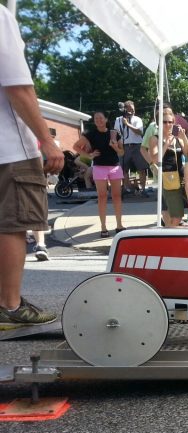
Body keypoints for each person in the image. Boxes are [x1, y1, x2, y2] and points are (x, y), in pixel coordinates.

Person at [0, 3, 63, 325]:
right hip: (8, 148)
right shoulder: (0, 18)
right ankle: (9, 306)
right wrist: (47, 140)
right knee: (12, 225)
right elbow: (17, 87)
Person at [73, 111, 125, 238]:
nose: (98, 120)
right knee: (102, 197)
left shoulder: (114, 133)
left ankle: (119, 225)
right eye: (96, 118)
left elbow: (122, 152)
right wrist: (89, 155)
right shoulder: (90, 134)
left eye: (101, 118)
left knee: (117, 196)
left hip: (114, 167)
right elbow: (76, 146)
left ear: (106, 119)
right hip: (99, 167)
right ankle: (103, 227)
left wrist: (115, 147)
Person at [149, 107, 188, 227]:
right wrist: (166, 144)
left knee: (178, 213)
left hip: (180, 176)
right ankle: (170, 234)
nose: (168, 125)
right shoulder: (155, 139)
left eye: (171, 122)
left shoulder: (177, 138)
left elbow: (187, 153)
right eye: (164, 122)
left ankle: (169, 232)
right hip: (167, 177)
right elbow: (155, 158)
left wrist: (183, 138)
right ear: (158, 123)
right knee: (174, 214)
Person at [114, 100, 148, 194]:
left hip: (137, 146)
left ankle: (143, 189)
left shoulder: (137, 119)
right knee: (123, 169)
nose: (133, 111)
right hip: (124, 146)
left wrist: (128, 124)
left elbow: (140, 132)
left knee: (141, 169)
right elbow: (116, 133)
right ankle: (127, 188)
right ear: (125, 109)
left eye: (133, 109)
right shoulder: (118, 120)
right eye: (130, 110)